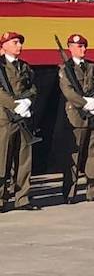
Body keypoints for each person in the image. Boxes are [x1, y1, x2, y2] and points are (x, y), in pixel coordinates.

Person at [58, 34, 94, 203]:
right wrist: (84, 103)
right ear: (70, 48)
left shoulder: (92, 66)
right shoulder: (65, 69)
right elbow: (68, 91)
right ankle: (69, 193)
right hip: (76, 116)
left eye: (84, 46)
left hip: (92, 115)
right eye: (79, 47)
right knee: (73, 157)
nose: (83, 49)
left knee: (93, 154)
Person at [0, 31, 39, 211]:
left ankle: (22, 198)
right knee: (3, 159)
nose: (19, 46)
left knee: (24, 159)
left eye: (20, 43)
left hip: (23, 118)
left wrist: (28, 101)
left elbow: (32, 87)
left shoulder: (25, 66)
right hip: (5, 118)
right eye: (15, 42)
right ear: (4, 45)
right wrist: (14, 105)